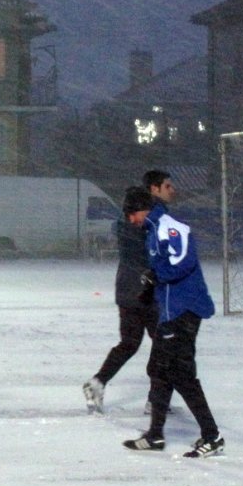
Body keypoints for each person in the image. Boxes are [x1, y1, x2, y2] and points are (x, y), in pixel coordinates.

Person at [120, 186, 225, 458]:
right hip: (171, 311)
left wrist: (157, 275)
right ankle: (155, 435)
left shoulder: (169, 227)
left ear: (144, 208)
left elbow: (182, 261)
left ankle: (212, 436)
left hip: (185, 310)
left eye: (132, 213)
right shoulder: (154, 230)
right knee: (158, 368)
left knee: (180, 374)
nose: (131, 220)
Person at [82, 170, 176, 415]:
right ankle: (155, 399)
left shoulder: (128, 225)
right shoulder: (146, 225)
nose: (171, 190)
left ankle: (98, 382)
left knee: (130, 343)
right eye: (167, 186)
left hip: (128, 292)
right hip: (146, 294)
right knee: (163, 345)